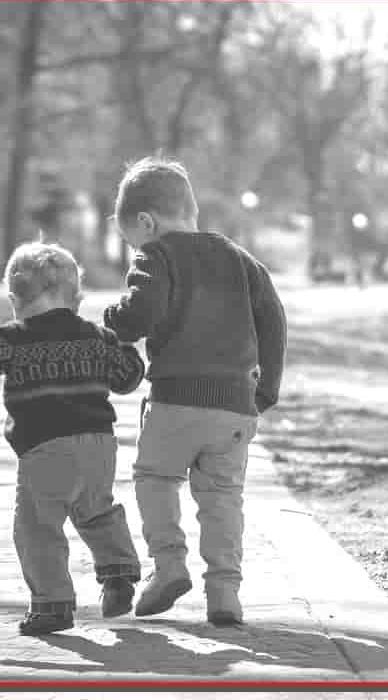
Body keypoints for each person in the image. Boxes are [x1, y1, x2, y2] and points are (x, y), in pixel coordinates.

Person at [0, 242, 146, 636]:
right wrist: (125, 348)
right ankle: (118, 575)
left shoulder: (12, 339)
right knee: (97, 511)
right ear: (78, 298)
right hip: (99, 446)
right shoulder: (97, 337)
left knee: (37, 527)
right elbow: (128, 378)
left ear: (15, 301)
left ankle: (52, 605)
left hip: (45, 448)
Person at [102, 156, 286, 627]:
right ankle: (225, 593)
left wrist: (113, 319)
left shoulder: (156, 256)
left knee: (156, 478)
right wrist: (265, 390)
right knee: (223, 496)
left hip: (176, 400)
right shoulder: (243, 260)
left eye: (131, 241)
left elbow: (141, 316)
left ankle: (168, 566)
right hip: (234, 407)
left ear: (147, 222)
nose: (134, 250)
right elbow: (274, 322)